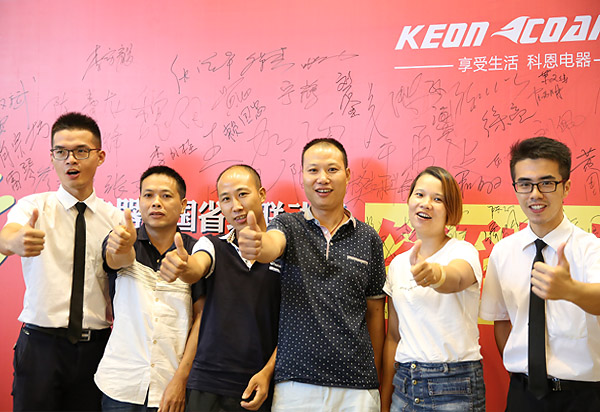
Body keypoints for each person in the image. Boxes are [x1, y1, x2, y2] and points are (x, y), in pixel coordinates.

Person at [238, 138, 386, 412]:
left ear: (347, 175)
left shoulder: (368, 238)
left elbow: (376, 313)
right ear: (302, 175)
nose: (322, 178)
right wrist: (258, 246)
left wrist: (373, 378)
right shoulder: (287, 224)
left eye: (332, 169)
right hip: (296, 384)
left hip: (357, 389)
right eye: (313, 170)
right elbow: (272, 245)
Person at [0, 112, 123, 411]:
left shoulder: (115, 219)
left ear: (100, 156)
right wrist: (15, 242)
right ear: (52, 157)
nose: (71, 160)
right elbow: (7, 236)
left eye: (81, 151)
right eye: (61, 152)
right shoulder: (34, 207)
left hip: (96, 348)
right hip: (40, 345)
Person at [480, 136, 600, 411]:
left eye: (547, 183)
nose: (535, 194)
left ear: (566, 186)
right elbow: (502, 321)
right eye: (525, 184)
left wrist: (571, 291)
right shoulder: (503, 252)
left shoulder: (591, 249)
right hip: (523, 395)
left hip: (583, 397)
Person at [159, 164, 280, 412]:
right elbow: (196, 267)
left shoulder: (282, 251)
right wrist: (183, 266)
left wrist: (268, 372)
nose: (236, 206)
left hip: (258, 385)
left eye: (242, 194)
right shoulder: (213, 245)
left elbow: (294, 326)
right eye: (226, 199)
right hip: (206, 384)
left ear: (262, 194)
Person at [94, 166, 205, 412]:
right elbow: (118, 258)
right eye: (148, 195)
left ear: (183, 205)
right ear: (139, 201)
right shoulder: (122, 239)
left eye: (166, 196)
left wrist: (181, 379)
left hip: (169, 386)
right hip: (120, 384)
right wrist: (122, 247)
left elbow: (201, 318)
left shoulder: (195, 252)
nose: (156, 202)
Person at [380, 166, 485, 412]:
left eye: (438, 199)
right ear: (409, 200)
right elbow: (394, 337)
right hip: (404, 384)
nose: (426, 204)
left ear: (450, 210)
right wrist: (385, 399)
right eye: (420, 194)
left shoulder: (464, 251)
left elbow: (456, 278)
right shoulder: (397, 264)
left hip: (454, 384)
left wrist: (435, 275)